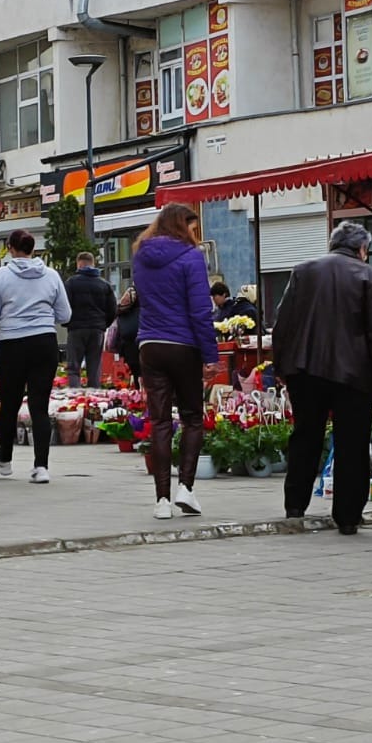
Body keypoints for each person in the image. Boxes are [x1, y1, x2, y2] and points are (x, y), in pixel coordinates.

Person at [275, 221, 372, 535]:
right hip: (354, 374)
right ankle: (348, 517)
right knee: (351, 444)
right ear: (362, 249)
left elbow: (283, 322)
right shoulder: (371, 277)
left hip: (305, 370)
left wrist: (281, 368)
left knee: (305, 436)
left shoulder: (303, 271)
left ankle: (295, 506)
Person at [132, 203, 219, 520]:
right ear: (183, 226)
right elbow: (200, 310)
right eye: (193, 228)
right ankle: (186, 487)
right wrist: (210, 355)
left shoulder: (140, 253)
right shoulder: (191, 256)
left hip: (150, 344)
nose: (195, 234)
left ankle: (161, 501)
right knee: (193, 417)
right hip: (183, 345)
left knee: (159, 422)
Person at [0, 229, 70, 484]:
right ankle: (41, 466)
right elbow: (65, 315)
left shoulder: (2, 275)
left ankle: (5, 460)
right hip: (45, 343)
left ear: (10, 248)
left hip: (13, 344)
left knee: (9, 404)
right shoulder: (51, 275)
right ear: (33, 248)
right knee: (39, 406)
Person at [65, 251, 117, 388]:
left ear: (78, 264)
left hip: (76, 329)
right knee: (94, 368)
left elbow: (64, 307)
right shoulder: (104, 285)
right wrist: (103, 325)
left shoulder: (71, 283)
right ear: (93, 264)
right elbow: (112, 309)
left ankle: (74, 397)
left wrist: (67, 323)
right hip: (97, 329)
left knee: (73, 368)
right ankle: (94, 402)